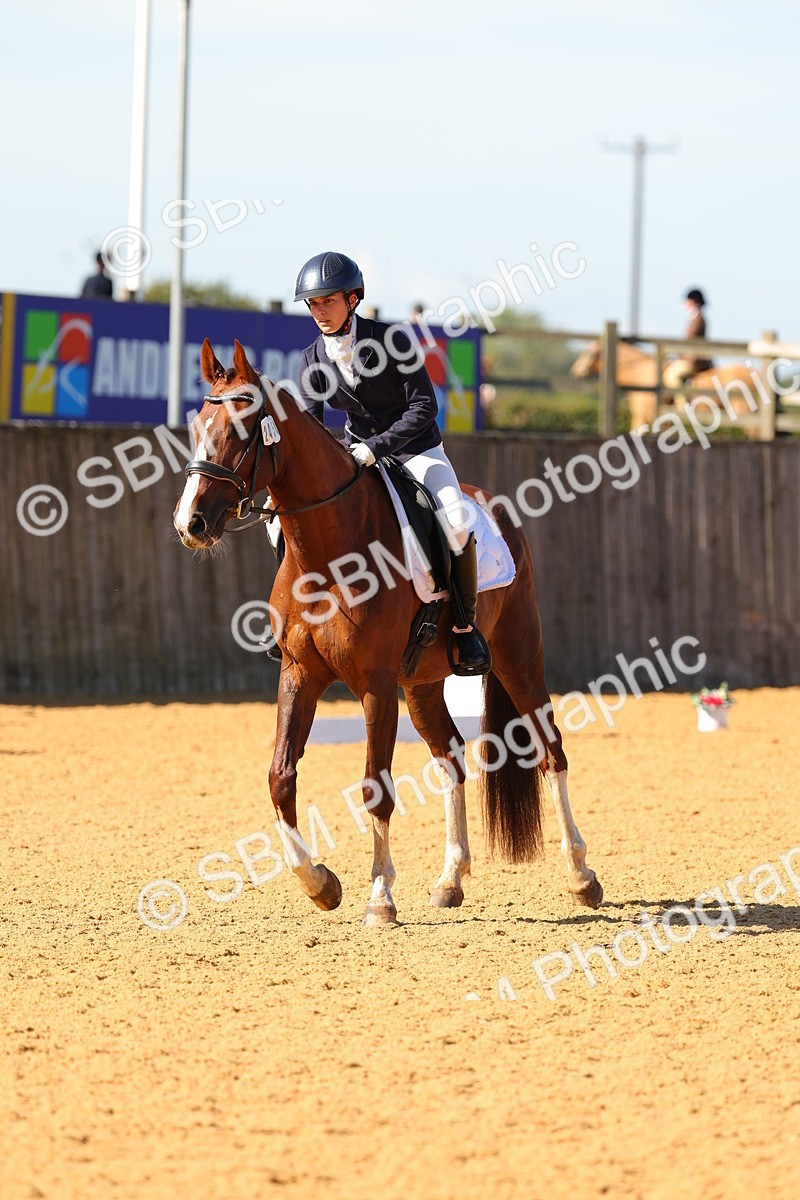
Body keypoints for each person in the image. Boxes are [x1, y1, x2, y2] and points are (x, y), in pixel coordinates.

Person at [294, 250, 491, 676]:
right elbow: (310, 425)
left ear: (353, 300)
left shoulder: (391, 340)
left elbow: (423, 407)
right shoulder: (312, 358)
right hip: (356, 453)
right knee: (286, 520)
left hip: (416, 450)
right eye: (313, 304)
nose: (320, 311)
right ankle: (296, 619)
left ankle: (464, 625)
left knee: (456, 517)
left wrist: (375, 448)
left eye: (328, 301)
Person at [663, 288, 712, 389]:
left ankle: (682, 403)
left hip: (693, 360)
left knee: (673, 377)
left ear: (694, 301)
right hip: (687, 358)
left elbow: (690, 342)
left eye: (687, 301)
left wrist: (680, 357)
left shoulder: (698, 319)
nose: (685, 303)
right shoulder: (694, 318)